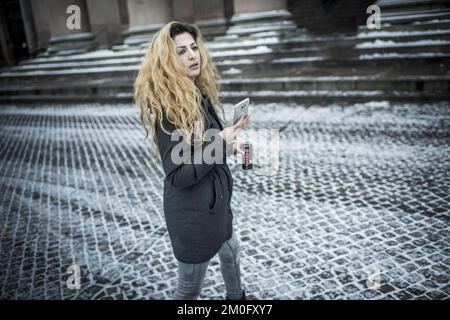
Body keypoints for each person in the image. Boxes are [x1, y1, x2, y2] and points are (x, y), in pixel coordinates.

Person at [134, 21, 250, 300]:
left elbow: (205, 150)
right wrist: (220, 143)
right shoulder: (167, 112)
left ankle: (237, 300)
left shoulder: (197, 93)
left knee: (232, 252)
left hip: (217, 207)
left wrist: (231, 145)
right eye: (182, 52)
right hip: (193, 219)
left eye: (194, 48)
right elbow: (178, 174)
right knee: (188, 291)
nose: (192, 56)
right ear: (168, 61)